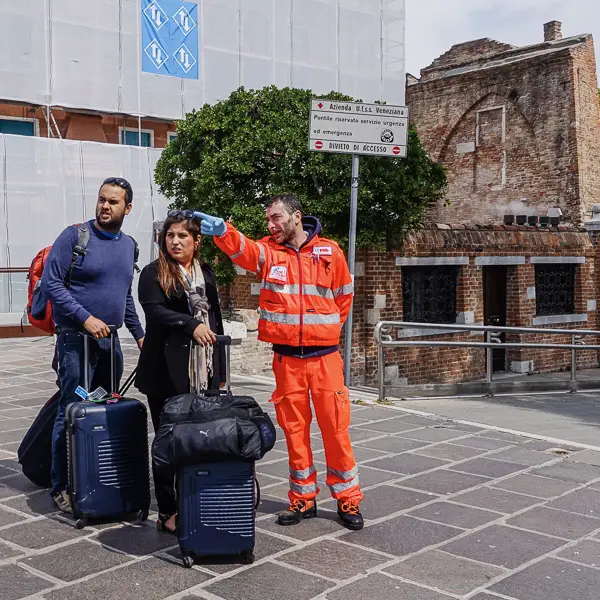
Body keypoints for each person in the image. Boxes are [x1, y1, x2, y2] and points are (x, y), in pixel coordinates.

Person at [195, 194, 364, 530]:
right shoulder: (269, 252)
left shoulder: (330, 252)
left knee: (336, 430)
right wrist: (223, 231)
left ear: (296, 217)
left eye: (276, 218)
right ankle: (303, 498)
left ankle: (348, 499)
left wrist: (324, 330)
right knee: (295, 432)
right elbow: (244, 249)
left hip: (325, 359)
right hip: (287, 361)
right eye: (268, 220)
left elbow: (344, 298)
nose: (270, 225)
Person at [41, 177, 145, 512]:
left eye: (113, 202)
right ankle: (62, 484)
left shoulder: (128, 245)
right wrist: (85, 318)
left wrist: (139, 334)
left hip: (109, 342)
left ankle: (96, 473)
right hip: (75, 340)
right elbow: (51, 284)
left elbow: (123, 296)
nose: (104, 206)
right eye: (102, 199)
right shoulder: (74, 236)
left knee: (105, 407)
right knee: (71, 410)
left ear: (127, 208)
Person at [135, 211, 226, 534]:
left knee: (199, 441)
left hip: (202, 373)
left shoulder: (207, 275)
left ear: (196, 241)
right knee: (168, 441)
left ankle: (194, 499)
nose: (175, 241)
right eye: (170, 236)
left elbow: (215, 322)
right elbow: (156, 312)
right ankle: (168, 509)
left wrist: (222, 373)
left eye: (182, 236)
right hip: (164, 372)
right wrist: (190, 326)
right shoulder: (152, 274)